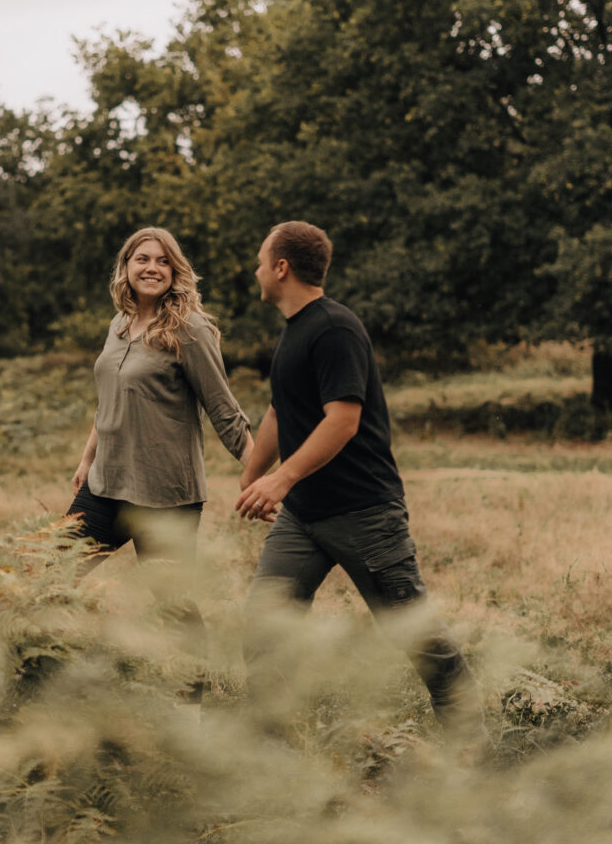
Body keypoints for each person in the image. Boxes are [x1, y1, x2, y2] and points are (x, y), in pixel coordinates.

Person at [236, 220, 483, 737]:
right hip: (304, 518)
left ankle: (470, 745)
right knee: (264, 630)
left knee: (417, 637)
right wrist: (252, 474)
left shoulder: (334, 328)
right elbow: (282, 411)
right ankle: (267, 758)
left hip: (363, 513)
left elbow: (343, 420)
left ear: (281, 268)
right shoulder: (293, 332)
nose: (255, 270)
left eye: (261, 260)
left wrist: (280, 481)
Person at [67, 226, 254, 700]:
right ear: (126, 268)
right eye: (142, 259)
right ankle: (46, 680)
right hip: (105, 485)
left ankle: (198, 703)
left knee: (172, 606)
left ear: (175, 272)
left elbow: (224, 409)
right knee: (49, 574)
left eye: (162, 261)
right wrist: (87, 459)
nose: (151, 268)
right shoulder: (119, 325)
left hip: (165, 494)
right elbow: (107, 399)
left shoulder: (188, 330)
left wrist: (263, 477)